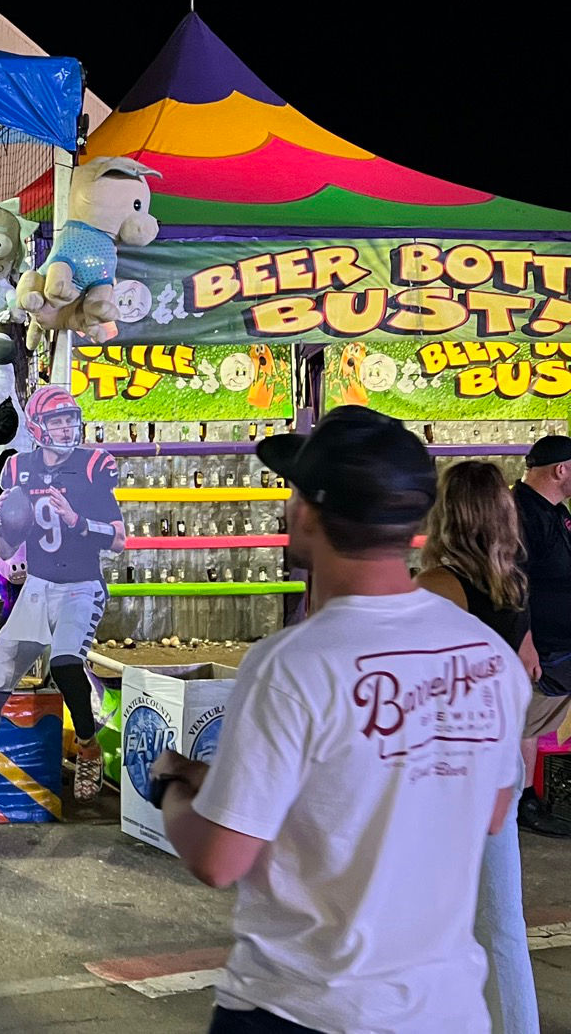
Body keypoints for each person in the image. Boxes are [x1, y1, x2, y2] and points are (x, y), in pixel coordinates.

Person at [152, 407, 528, 1034]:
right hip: (446, 1010)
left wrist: (171, 787)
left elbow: (219, 860)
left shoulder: (292, 664)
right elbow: (483, 810)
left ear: (306, 511)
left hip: (302, 1007)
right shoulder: (489, 659)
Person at [0, 385, 122, 825]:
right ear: (37, 427)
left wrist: (77, 521)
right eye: (58, 421)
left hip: (80, 584)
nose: (67, 427)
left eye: (71, 419)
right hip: (37, 584)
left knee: (67, 663)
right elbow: (7, 543)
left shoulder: (92, 466)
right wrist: (0, 527)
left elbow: (120, 539)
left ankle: (88, 747)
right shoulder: (17, 469)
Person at [415, 460, 541, 1034]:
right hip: (497, 760)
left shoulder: (439, 588)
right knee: (503, 922)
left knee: (421, 918)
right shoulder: (511, 582)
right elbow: (523, 668)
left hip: (443, 769)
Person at [514, 434, 571, 837]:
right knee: (525, 724)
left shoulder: (555, 511)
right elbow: (513, 584)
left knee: (531, 724)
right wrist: (525, 641)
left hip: (559, 643)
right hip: (541, 648)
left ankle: (526, 799)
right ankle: (522, 801)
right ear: (561, 470)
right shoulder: (518, 514)